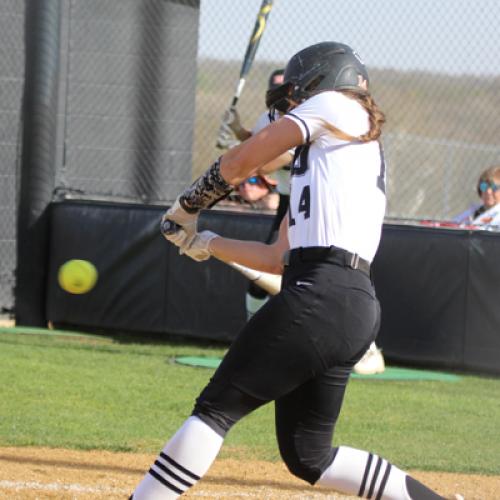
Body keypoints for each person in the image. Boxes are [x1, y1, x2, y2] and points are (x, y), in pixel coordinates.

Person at [131, 42, 444, 499]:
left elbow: (241, 162)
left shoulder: (337, 103)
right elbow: (278, 257)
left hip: (323, 295)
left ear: (321, 81)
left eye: (297, 96)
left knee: (215, 410)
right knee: (308, 455)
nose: (291, 107)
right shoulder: (328, 158)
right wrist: (206, 242)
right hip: (346, 302)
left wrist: (186, 206)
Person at [454, 165, 500, 230]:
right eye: (484, 186)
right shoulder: (473, 211)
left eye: (494, 187)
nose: (488, 192)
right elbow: (453, 225)